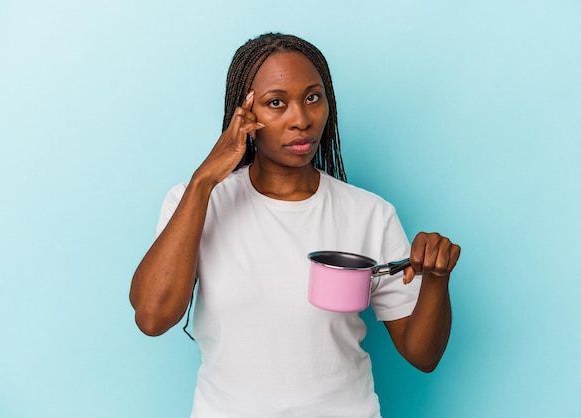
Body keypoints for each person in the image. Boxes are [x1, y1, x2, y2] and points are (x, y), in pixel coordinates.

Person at [130, 33, 461, 418]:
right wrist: (204, 180)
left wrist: (437, 279)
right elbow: (152, 318)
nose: (301, 120)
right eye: (276, 103)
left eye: (312, 97)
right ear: (245, 114)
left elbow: (423, 355)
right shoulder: (196, 202)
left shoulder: (369, 213)